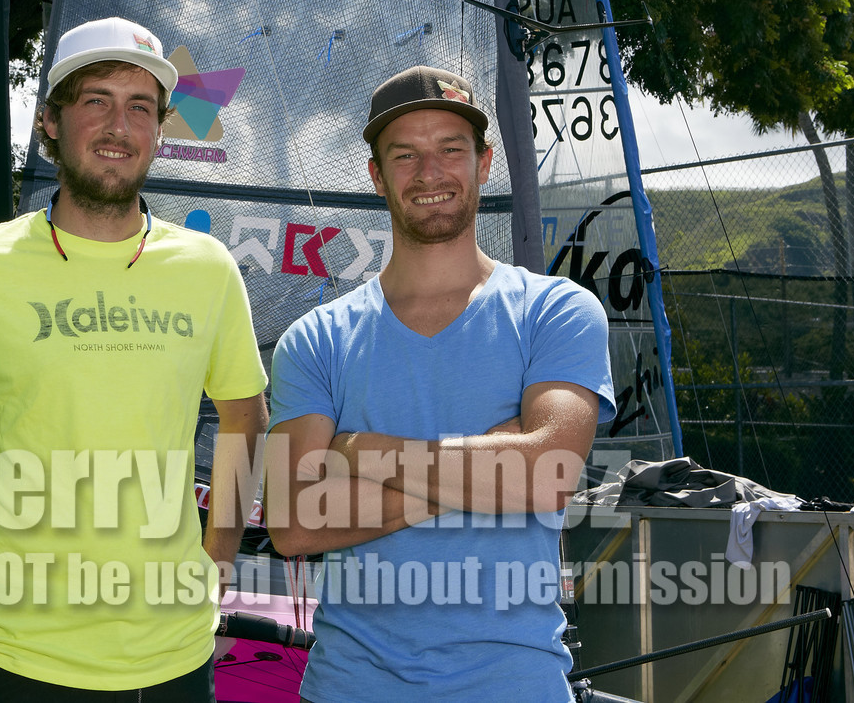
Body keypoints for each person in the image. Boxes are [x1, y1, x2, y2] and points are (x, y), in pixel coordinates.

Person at [0, 17, 269, 702]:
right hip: (12, 654)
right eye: (96, 102)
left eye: (140, 107)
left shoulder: (206, 268)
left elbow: (245, 417)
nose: (120, 125)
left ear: (157, 130)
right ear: (50, 123)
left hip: (171, 662)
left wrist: (217, 563)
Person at [263, 66, 615, 703]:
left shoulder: (555, 311)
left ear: (483, 165)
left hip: (515, 687)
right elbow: (295, 522)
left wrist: (358, 451)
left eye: (450, 149)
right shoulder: (316, 340)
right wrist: (494, 467)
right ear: (377, 175)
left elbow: (548, 472)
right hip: (350, 688)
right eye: (406, 154)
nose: (430, 173)